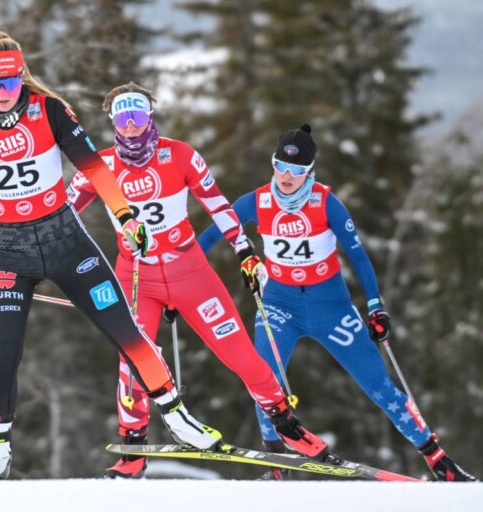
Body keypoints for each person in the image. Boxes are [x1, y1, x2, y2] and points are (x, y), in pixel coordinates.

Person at [0, 32, 223, 480]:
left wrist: (125, 215)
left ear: (22, 79)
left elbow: (95, 167)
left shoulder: (50, 111)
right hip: (7, 249)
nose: (2, 95)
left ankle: (176, 415)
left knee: (124, 327)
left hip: (64, 238)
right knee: (4, 349)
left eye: (10, 84)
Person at [67, 83, 339, 479]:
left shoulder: (180, 155)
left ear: (150, 117)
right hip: (136, 276)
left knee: (240, 352)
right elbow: (60, 216)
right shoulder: (99, 166)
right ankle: (132, 448)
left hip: (188, 270)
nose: (130, 127)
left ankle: (286, 425)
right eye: (122, 119)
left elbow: (217, 204)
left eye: (137, 117)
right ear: (112, 122)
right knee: (133, 361)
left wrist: (245, 252)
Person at [198, 124, 478, 482]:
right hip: (279, 304)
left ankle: (438, 459)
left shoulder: (327, 203)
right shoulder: (255, 202)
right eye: (280, 167)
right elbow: (209, 236)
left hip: (330, 306)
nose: (286, 177)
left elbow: (358, 258)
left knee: (379, 386)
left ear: (310, 173)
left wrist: (376, 306)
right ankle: (276, 462)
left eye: (297, 171)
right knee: (263, 379)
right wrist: (180, 273)